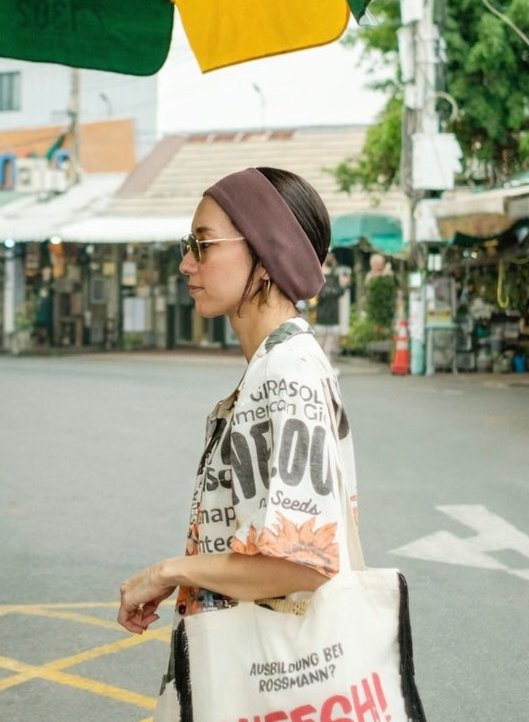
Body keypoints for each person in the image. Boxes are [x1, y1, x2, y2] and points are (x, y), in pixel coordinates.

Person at [117, 167, 360, 710]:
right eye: (189, 245)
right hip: (251, 667)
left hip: (274, 677)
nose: (186, 263)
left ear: (267, 251)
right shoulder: (275, 363)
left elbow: (300, 563)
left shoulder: (287, 370)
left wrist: (167, 572)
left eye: (202, 245)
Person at [314, 252, 348, 369]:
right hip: (322, 317)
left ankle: (328, 368)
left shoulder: (333, 276)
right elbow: (326, 293)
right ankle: (320, 368)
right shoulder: (320, 277)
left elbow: (339, 292)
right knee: (321, 346)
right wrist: (340, 287)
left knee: (330, 346)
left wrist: (342, 286)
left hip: (331, 317)